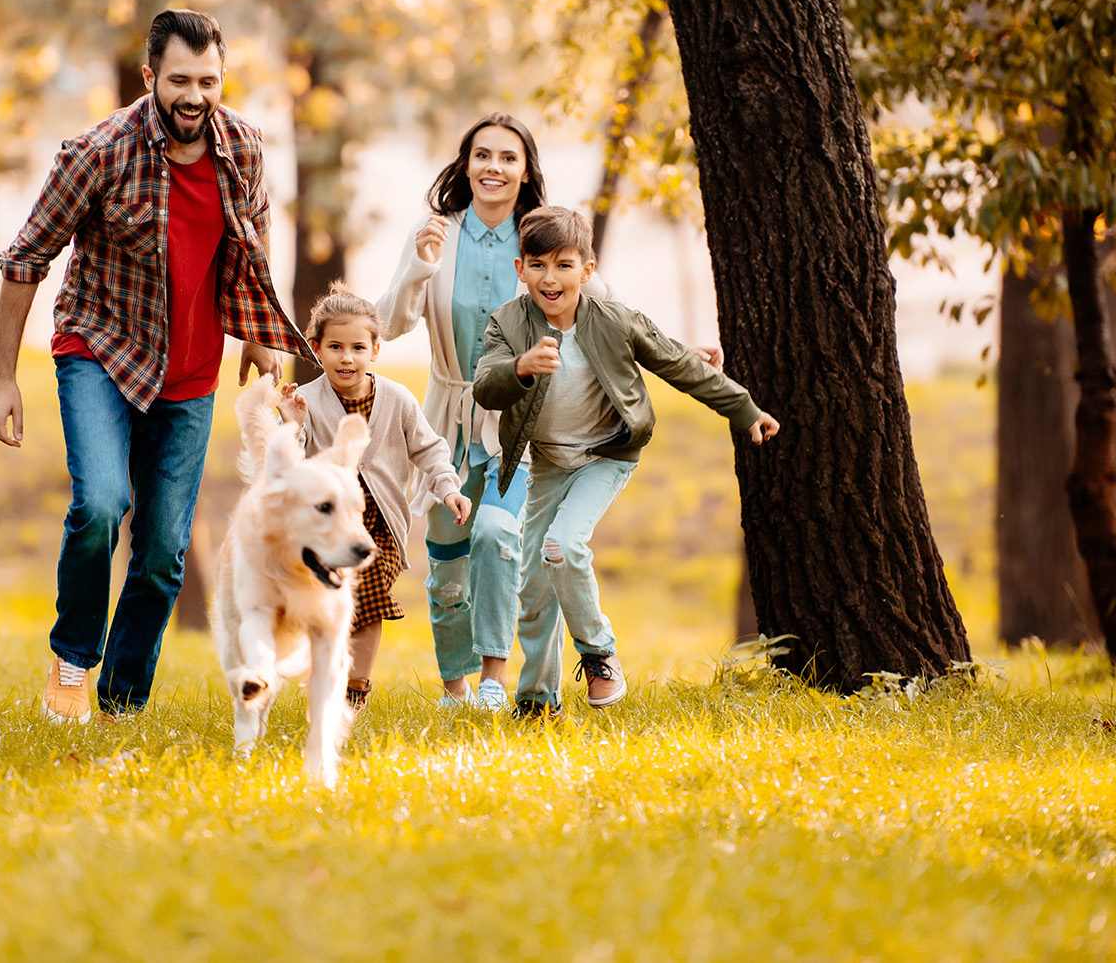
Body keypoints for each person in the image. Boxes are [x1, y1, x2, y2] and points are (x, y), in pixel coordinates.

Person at [0, 9, 314, 724]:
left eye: (208, 81)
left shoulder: (245, 149)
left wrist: (258, 329)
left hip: (190, 372)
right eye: (179, 81)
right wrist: (3, 375)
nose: (194, 96)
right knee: (101, 505)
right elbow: (24, 259)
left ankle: (122, 703)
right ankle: (73, 661)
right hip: (102, 350)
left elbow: (253, 235)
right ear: (149, 77)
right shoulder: (98, 152)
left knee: (164, 550)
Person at [473, 206, 780, 708]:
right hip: (548, 462)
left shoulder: (613, 321)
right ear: (520, 269)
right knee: (533, 589)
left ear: (587, 270)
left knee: (562, 547)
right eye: (538, 265)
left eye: (564, 265)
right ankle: (535, 700)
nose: (550, 279)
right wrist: (521, 367)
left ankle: (600, 654)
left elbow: (679, 364)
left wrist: (743, 408)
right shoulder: (507, 323)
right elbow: (486, 385)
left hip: (606, 456)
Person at [374, 114, 566, 715]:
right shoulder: (436, 232)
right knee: (447, 567)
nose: (493, 167)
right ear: (464, 165)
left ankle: (493, 678)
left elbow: (600, 307)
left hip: (516, 424)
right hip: (444, 422)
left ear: (526, 170)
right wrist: (420, 266)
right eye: (481, 155)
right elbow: (387, 323)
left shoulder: (541, 238)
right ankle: (455, 688)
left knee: (498, 535)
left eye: (508, 158)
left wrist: (677, 351)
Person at [278, 284, 472, 711]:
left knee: (366, 601)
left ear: (375, 350)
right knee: (330, 605)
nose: (347, 358)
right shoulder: (306, 400)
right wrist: (292, 425)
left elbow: (429, 448)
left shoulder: (398, 399)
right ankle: (330, 677)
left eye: (357, 347)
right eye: (335, 347)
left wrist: (449, 488)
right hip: (328, 527)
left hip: (380, 526)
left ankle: (355, 691)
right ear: (316, 349)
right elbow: (291, 464)